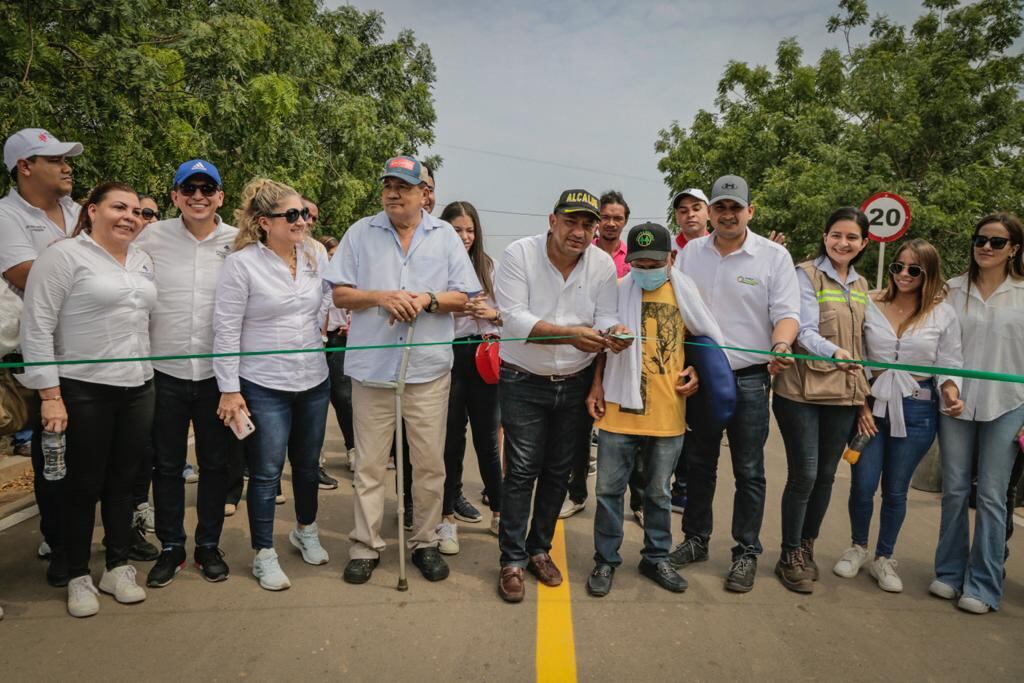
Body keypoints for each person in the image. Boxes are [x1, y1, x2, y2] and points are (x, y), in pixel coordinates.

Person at [325, 156, 479, 586]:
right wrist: (382, 297)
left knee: (429, 465)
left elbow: (463, 296)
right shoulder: (361, 232)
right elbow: (340, 294)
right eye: (388, 185)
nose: (393, 193)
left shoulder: (444, 235)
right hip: (372, 369)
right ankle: (365, 545)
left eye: (404, 187)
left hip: (427, 370)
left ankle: (424, 542)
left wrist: (427, 300)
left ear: (424, 194)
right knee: (370, 466)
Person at [20, 181, 155, 617]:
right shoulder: (63, 256)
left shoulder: (142, 258)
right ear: (92, 210)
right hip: (83, 388)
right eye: (119, 207)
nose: (130, 217)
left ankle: (117, 566)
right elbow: (37, 326)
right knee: (82, 485)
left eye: (136, 211)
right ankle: (77, 574)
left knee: (124, 481)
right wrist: (49, 395)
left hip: (138, 385)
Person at [494, 188, 631, 603]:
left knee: (558, 472)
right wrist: (572, 334)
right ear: (552, 221)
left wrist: (615, 334)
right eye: (571, 221)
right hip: (523, 379)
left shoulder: (601, 264)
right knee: (521, 471)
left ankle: (539, 550)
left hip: (575, 380)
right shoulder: (519, 254)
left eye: (588, 224)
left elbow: (606, 317)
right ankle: (511, 560)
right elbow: (514, 319)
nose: (579, 231)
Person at [669, 174, 800, 593]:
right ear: (710, 212)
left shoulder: (774, 257)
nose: (728, 215)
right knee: (699, 464)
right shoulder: (690, 253)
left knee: (749, 470)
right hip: (701, 377)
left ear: (750, 211)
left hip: (749, 380)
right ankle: (695, 539)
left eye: (735, 208)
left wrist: (782, 344)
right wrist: (686, 364)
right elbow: (679, 312)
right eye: (721, 208)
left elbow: (787, 313)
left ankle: (746, 551)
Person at [585, 222, 722, 597]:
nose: (646, 272)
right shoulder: (616, 292)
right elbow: (600, 342)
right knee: (608, 491)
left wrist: (697, 371)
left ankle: (656, 557)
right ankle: (605, 559)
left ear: (671, 258)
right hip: (618, 410)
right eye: (639, 265)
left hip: (667, 410)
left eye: (653, 264)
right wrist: (596, 384)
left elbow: (705, 343)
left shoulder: (686, 293)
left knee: (659, 493)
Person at [213, 178, 332, 591]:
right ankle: (264, 553)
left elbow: (328, 303)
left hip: (313, 378)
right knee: (266, 472)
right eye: (292, 215)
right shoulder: (242, 264)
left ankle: (305, 529)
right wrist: (229, 389)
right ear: (264, 222)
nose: (302, 221)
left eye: (305, 214)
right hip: (264, 382)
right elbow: (226, 328)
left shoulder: (315, 254)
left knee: (307, 465)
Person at [834, 238, 964, 593]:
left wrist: (951, 391)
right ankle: (858, 546)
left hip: (917, 409)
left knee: (896, 490)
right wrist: (860, 403)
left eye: (914, 269)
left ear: (929, 273)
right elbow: (855, 355)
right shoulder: (871, 302)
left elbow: (950, 361)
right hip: (871, 405)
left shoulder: (942, 312)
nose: (904, 274)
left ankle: (884, 557)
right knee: (863, 484)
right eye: (897, 267)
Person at [135, 159, 238, 588]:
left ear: (220, 197)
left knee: (215, 464)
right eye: (189, 189)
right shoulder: (150, 236)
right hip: (165, 370)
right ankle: (172, 546)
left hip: (218, 375)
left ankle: (208, 545)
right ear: (175, 196)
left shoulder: (239, 241)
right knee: (167, 465)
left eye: (207, 189)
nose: (198, 196)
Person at [770, 207, 871, 593]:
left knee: (827, 476)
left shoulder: (862, 285)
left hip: (843, 394)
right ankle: (788, 554)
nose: (843, 243)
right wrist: (834, 352)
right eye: (836, 235)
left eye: (852, 237)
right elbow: (804, 329)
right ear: (825, 237)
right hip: (801, 392)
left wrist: (865, 397)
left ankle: (806, 546)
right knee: (805, 475)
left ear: (864, 243)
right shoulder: (805, 274)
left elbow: (867, 341)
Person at [1, 127, 84, 588]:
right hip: (35, 356)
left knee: (88, 455)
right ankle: (58, 541)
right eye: (54, 160)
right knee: (52, 454)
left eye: (66, 159)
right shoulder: (6, 216)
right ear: (25, 166)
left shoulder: (78, 210)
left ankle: (89, 535)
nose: (66, 167)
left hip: (87, 352)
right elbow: (26, 276)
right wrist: (91, 273)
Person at [932, 213, 1024, 613]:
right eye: (980, 240)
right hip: (955, 401)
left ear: (1014, 249)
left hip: (1009, 404)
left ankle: (984, 584)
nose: (986, 247)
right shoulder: (952, 291)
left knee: (991, 495)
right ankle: (949, 572)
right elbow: (941, 348)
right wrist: (948, 387)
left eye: (997, 242)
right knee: (954, 490)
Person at [435, 201, 504, 555]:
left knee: (488, 440)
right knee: (450, 441)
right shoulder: (433, 264)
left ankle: (500, 512)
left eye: (470, 230)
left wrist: (488, 312)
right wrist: (454, 305)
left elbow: (505, 315)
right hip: (446, 356)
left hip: (482, 356)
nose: (464, 236)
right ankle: (446, 517)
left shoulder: (488, 266)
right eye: (457, 229)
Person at [561, 190, 632, 521]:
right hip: (587, 352)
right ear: (596, 222)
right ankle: (576, 493)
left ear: (625, 222)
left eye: (618, 218)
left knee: (631, 429)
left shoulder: (634, 258)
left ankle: (638, 501)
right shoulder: (580, 252)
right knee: (579, 431)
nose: (611, 223)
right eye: (606, 217)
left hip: (622, 353)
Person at [667, 188, 711, 514]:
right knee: (677, 418)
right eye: (683, 210)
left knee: (703, 426)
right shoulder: (669, 249)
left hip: (709, 344)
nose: (690, 214)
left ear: (708, 212)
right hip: (674, 347)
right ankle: (678, 488)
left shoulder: (717, 247)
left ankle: (691, 490)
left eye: (696, 208)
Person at [318, 235, 356, 474]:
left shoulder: (348, 277)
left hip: (340, 340)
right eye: (330, 255)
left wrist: (352, 324)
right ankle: (315, 451)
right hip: (314, 340)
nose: (334, 259)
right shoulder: (315, 276)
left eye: (336, 255)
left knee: (343, 397)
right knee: (316, 400)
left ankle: (353, 448)